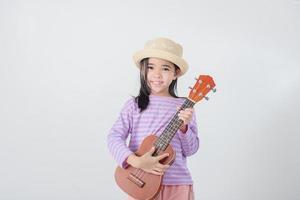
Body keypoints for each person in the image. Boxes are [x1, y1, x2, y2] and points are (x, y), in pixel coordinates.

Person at [107, 37, 199, 200]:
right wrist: (136, 161)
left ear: (175, 73)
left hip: (177, 184)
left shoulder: (185, 106)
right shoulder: (134, 105)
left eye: (165, 68)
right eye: (150, 67)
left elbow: (191, 150)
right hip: (141, 182)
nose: (156, 74)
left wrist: (184, 128)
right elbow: (113, 137)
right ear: (143, 70)